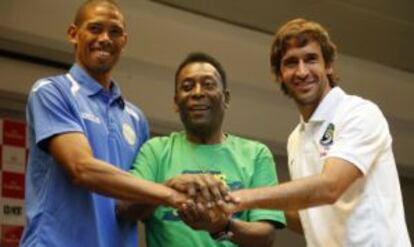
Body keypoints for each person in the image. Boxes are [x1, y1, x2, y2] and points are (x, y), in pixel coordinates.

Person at [230, 18, 411, 247]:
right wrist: (241, 204)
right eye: (291, 63)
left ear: (328, 65)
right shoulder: (295, 138)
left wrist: (241, 198)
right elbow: (308, 217)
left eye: (311, 59)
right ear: (280, 74)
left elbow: (330, 187)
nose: (302, 71)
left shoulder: (359, 113)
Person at [20, 1, 188, 246]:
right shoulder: (52, 91)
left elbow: (132, 203)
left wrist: (192, 201)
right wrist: (169, 193)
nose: (105, 38)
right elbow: (82, 169)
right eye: (95, 28)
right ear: (73, 34)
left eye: (115, 32)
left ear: (124, 41)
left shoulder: (135, 118)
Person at [116, 52, 286, 247]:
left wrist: (221, 225)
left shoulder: (256, 155)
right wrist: (168, 188)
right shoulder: (155, 151)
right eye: (187, 87)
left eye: (208, 85)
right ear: (175, 102)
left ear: (226, 98)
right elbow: (124, 209)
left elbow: (265, 237)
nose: (197, 93)